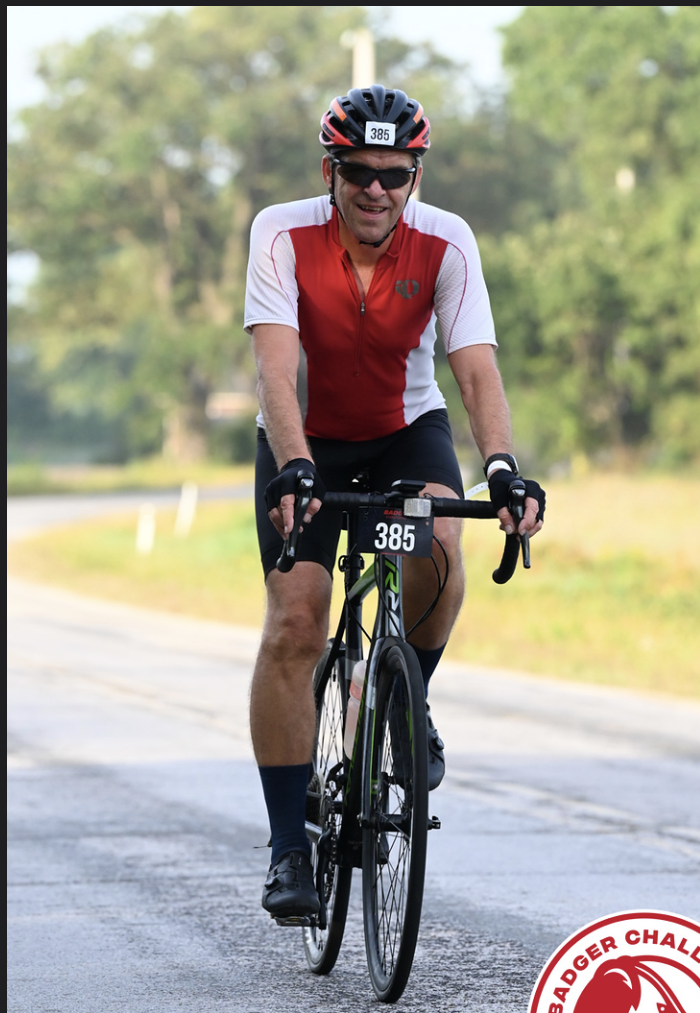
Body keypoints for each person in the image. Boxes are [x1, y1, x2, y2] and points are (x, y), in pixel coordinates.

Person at [244, 85, 545, 922]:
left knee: (443, 542)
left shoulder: (447, 242)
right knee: (296, 624)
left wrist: (504, 468)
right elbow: (275, 372)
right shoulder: (280, 231)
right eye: (358, 172)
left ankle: (404, 701)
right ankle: (287, 851)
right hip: (303, 436)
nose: (376, 190)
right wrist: (297, 468)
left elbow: (475, 369)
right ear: (330, 169)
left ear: (415, 174)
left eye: (395, 174)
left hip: (405, 429)